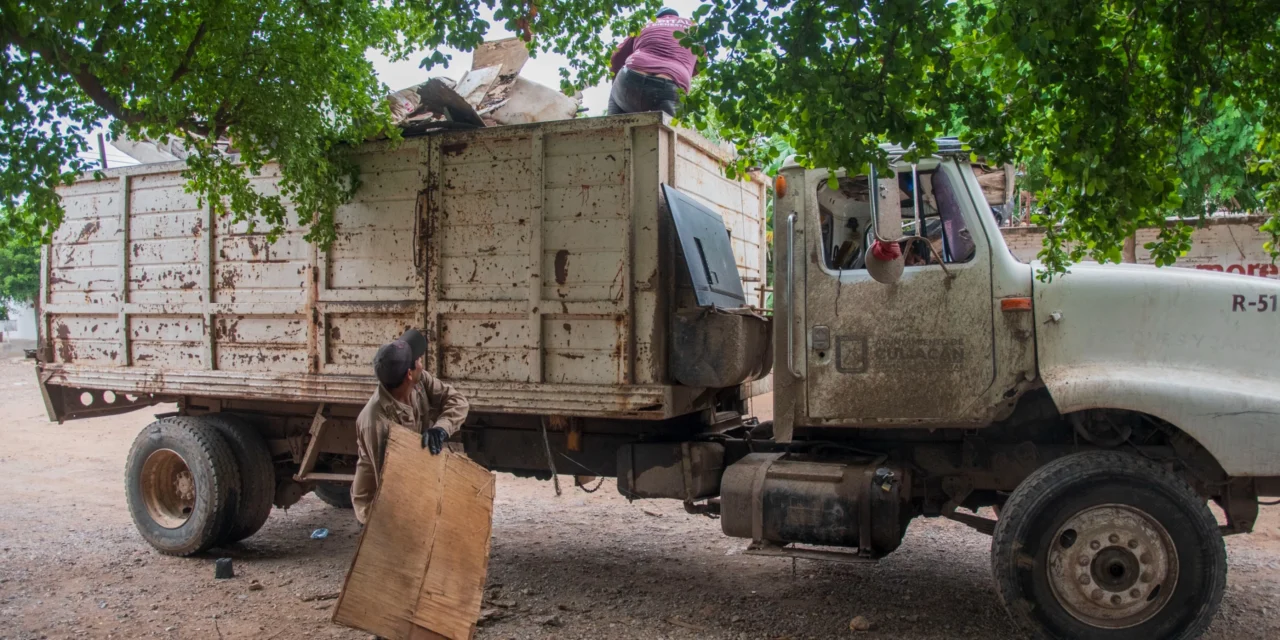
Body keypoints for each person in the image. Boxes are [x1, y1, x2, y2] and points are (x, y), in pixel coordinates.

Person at [351, 329, 470, 524]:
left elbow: (458, 401)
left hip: (410, 474)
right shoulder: (375, 421)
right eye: (419, 361)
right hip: (379, 505)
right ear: (408, 373)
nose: (422, 364)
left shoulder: (419, 380)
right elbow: (391, 482)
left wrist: (441, 428)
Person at [607, 7, 698, 116]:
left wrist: (618, 84)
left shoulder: (646, 25)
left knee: (616, 91)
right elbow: (700, 65)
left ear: (657, 17)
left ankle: (611, 128)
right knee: (667, 129)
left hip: (631, 79)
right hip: (669, 89)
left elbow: (615, 58)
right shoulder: (693, 28)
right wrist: (676, 73)